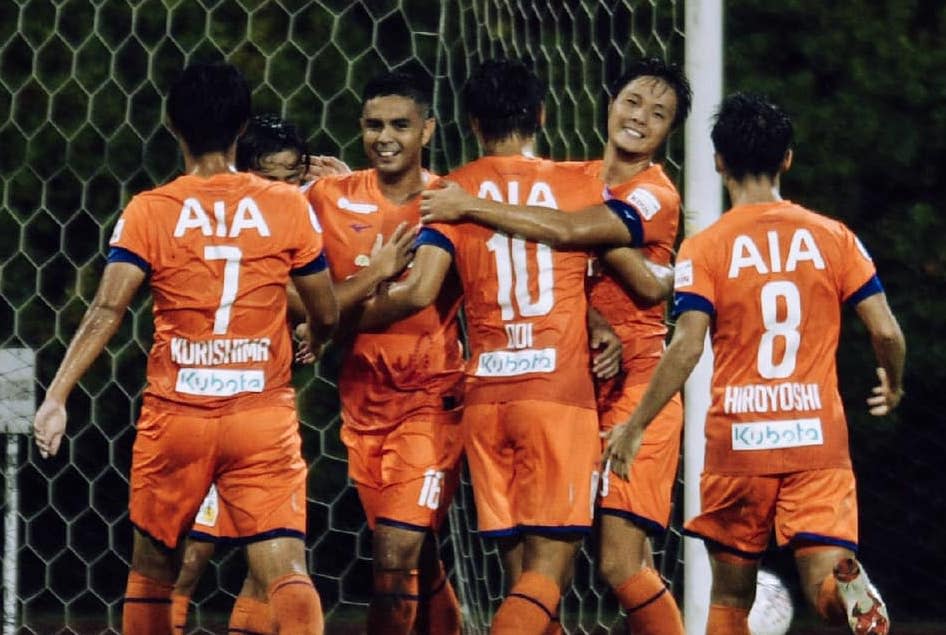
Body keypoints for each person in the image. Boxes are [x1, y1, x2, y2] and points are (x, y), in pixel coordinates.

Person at [32, 63, 339, 635]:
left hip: (177, 418)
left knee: (153, 571)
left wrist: (57, 395)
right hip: (260, 415)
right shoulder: (286, 205)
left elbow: (107, 309)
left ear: (172, 126)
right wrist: (316, 335)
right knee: (286, 568)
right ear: (242, 126)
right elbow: (324, 307)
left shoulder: (151, 209)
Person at [604, 93, 904, 635]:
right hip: (816, 439)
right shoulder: (834, 236)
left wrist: (636, 424)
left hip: (740, 443)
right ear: (787, 157)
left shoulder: (706, 247)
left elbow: (687, 345)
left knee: (730, 598)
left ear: (718, 160)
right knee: (820, 581)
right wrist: (893, 380)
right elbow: (886, 330)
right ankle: (848, 592)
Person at [420, 57, 692, 633]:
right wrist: (593, 319)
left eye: (659, 114)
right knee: (534, 573)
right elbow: (556, 261)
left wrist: (682, 271)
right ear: (610, 102)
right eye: (633, 102)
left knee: (620, 561)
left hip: (635, 389)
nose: (641, 117)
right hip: (567, 381)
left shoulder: (653, 194)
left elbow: (640, 279)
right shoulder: (573, 179)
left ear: (670, 132)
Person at [357, 58, 614, 635]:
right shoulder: (580, 182)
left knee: (522, 579)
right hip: (558, 395)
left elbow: (421, 289)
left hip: (487, 399)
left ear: (470, 123)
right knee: (549, 574)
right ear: (543, 115)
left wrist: (338, 318)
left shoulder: (453, 189)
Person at [304, 69, 464, 635]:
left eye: (400, 124)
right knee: (414, 554)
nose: (385, 136)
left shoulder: (448, 202)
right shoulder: (329, 197)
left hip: (430, 400)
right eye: (374, 125)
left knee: (394, 558)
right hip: (361, 401)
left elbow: (428, 293)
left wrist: (328, 322)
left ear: (428, 130)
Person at [171, 113, 321, 635]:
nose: (286, 190)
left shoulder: (302, 217)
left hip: (264, 408)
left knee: (266, 568)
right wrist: (319, 324)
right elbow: (307, 302)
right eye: (272, 179)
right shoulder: (241, 225)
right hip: (213, 404)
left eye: (294, 178)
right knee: (192, 557)